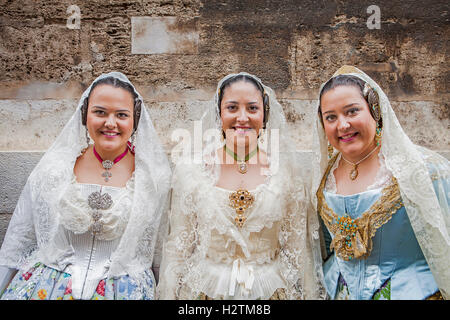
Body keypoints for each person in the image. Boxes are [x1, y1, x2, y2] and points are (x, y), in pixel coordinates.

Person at [0, 72, 171, 300]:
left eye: (121, 115)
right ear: (85, 114)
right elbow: (18, 241)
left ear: (135, 119)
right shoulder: (54, 170)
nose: (110, 123)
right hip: (48, 289)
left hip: (125, 291)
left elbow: (159, 252)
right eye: (100, 112)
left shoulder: (153, 178)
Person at [158, 72, 326, 300]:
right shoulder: (192, 171)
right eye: (232, 108)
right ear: (220, 113)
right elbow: (179, 247)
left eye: (252, 108)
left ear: (265, 114)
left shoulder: (287, 173)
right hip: (205, 291)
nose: (242, 117)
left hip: (269, 291)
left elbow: (298, 250)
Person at [311, 65, 449, 300]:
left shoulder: (424, 170)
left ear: (375, 110)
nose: (342, 125)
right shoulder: (322, 177)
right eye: (331, 117)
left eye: (352, 111)